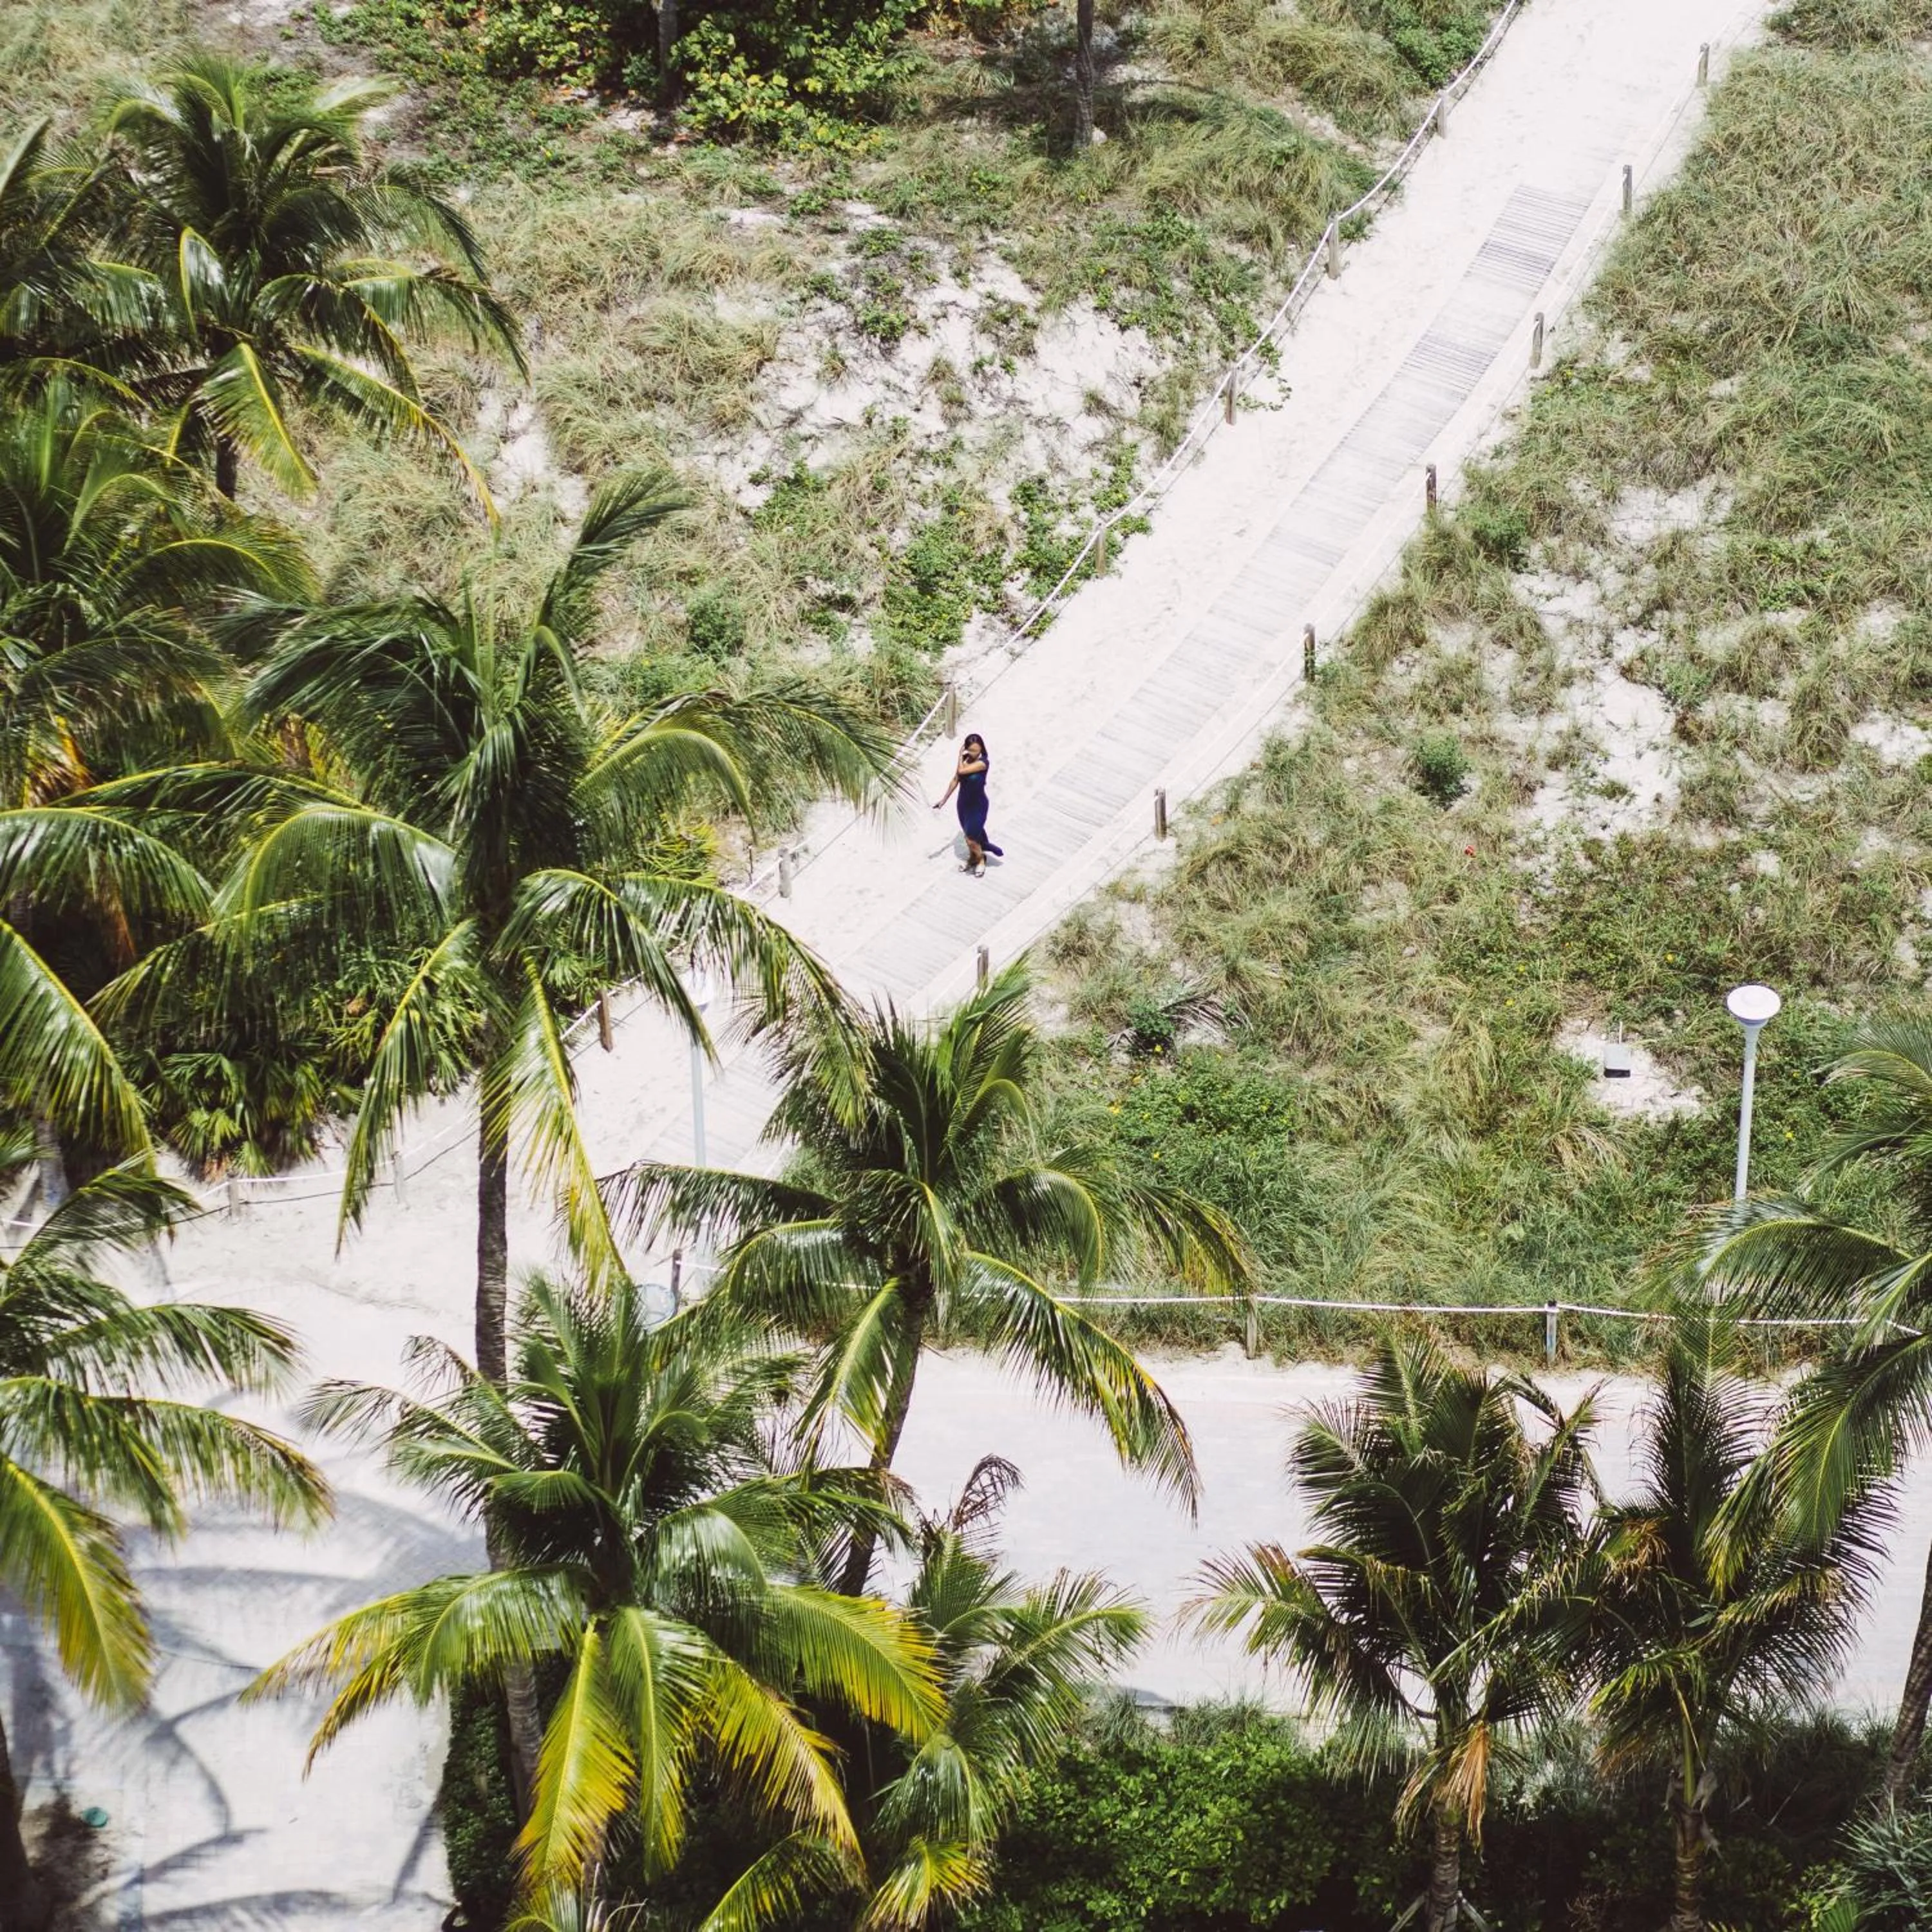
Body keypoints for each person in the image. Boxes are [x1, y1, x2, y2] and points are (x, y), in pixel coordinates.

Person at [934, 732, 1003, 875]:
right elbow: (955, 780)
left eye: (976, 750)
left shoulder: (983, 763)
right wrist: (944, 800)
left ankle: (981, 859)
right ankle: (973, 858)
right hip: (963, 805)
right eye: (970, 750)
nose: (973, 753)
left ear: (981, 749)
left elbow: (962, 770)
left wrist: (960, 755)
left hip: (978, 805)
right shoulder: (965, 760)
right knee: (970, 836)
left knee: (970, 838)